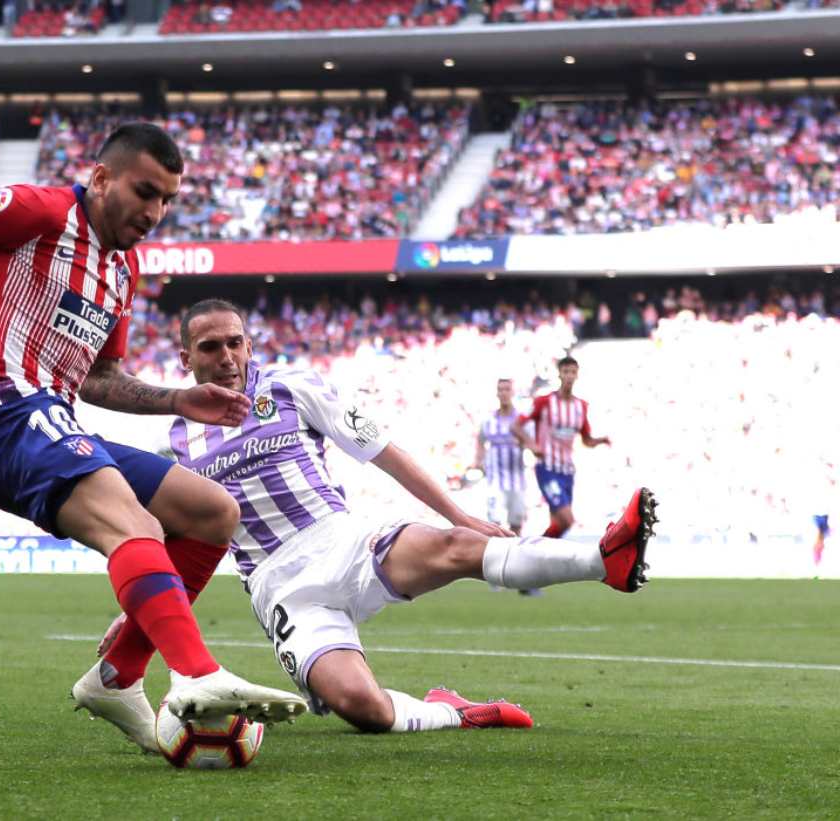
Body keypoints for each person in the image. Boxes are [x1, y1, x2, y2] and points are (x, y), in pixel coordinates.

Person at [0, 124, 307, 755]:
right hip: (3, 416)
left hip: (59, 418)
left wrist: (179, 400)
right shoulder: (41, 211)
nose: (155, 213)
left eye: (167, 201)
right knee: (135, 528)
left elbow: (98, 378)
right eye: (145, 192)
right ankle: (197, 673)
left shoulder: (121, 270)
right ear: (101, 178)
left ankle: (117, 677)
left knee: (212, 512)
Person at [91, 299, 657, 741]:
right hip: (281, 588)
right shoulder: (177, 436)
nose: (227, 357)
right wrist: (139, 612)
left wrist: (459, 513)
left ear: (249, 343)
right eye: (210, 347)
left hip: (343, 541)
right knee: (361, 709)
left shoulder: (292, 386)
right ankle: (454, 712)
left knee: (457, 545)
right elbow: (183, 537)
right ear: (186, 358)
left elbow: (382, 449)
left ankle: (602, 557)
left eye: (235, 343)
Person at [512, 355, 610, 540]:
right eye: (566, 372)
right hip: (547, 469)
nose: (569, 376)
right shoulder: (544, 402)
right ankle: (534, 550)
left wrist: (600, 441)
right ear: (559, 374)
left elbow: (586, 440)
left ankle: (545, 560)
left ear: (577, 375)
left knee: (557, 524)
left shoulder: (581, 406)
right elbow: (516, 426)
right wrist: (532, 444)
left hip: (567, 472)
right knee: (567, 520)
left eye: (573, 372)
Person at [473, 377, 531, 593]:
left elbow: (531, 442)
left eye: (507, 389)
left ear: (512, 392)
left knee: (516, 525)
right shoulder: (489, 421)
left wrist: (525, 443)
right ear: (497, 393)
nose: (504, 392)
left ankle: (516, 570)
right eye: (501, 389)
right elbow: (480, 440)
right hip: (495, 481)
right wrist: (478, 460)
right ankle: (495, 573)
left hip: (517, 481)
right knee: (494, 526)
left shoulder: (522, 420)